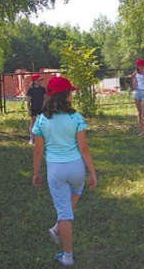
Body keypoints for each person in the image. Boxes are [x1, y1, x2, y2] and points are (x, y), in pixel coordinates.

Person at [32, 76, 97, 267]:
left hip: (56, 170)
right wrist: (92, 172)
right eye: (71, 92)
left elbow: (38, 150)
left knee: (64, 214)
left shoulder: (42, 120)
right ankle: (56, 227)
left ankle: (67, 256)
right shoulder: (76, 117)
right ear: (66, 95)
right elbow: (84, 147)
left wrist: (36, 172)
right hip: (77, 168)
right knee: (76, 192)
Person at [132, 59, 144, 136]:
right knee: (139, 113)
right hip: (137, 92)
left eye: (141, 65)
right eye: (139, 65)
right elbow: (134, 86)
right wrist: (134, 78)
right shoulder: (135, 74)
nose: (140, 67)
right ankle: (142, 131)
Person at [26, 74, 47, 145]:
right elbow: (28, 101)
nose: (39, 81)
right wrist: (29, 109)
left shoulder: (43, 89)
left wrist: (44, 107)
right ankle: (31, 138)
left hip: (42, 108)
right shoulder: (30, 90)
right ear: (34, 81)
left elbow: (45, 99)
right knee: (33, 122)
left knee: (42, 123)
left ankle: (41, 138)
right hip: (34, 108)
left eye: (40, 80)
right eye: (38, 80)